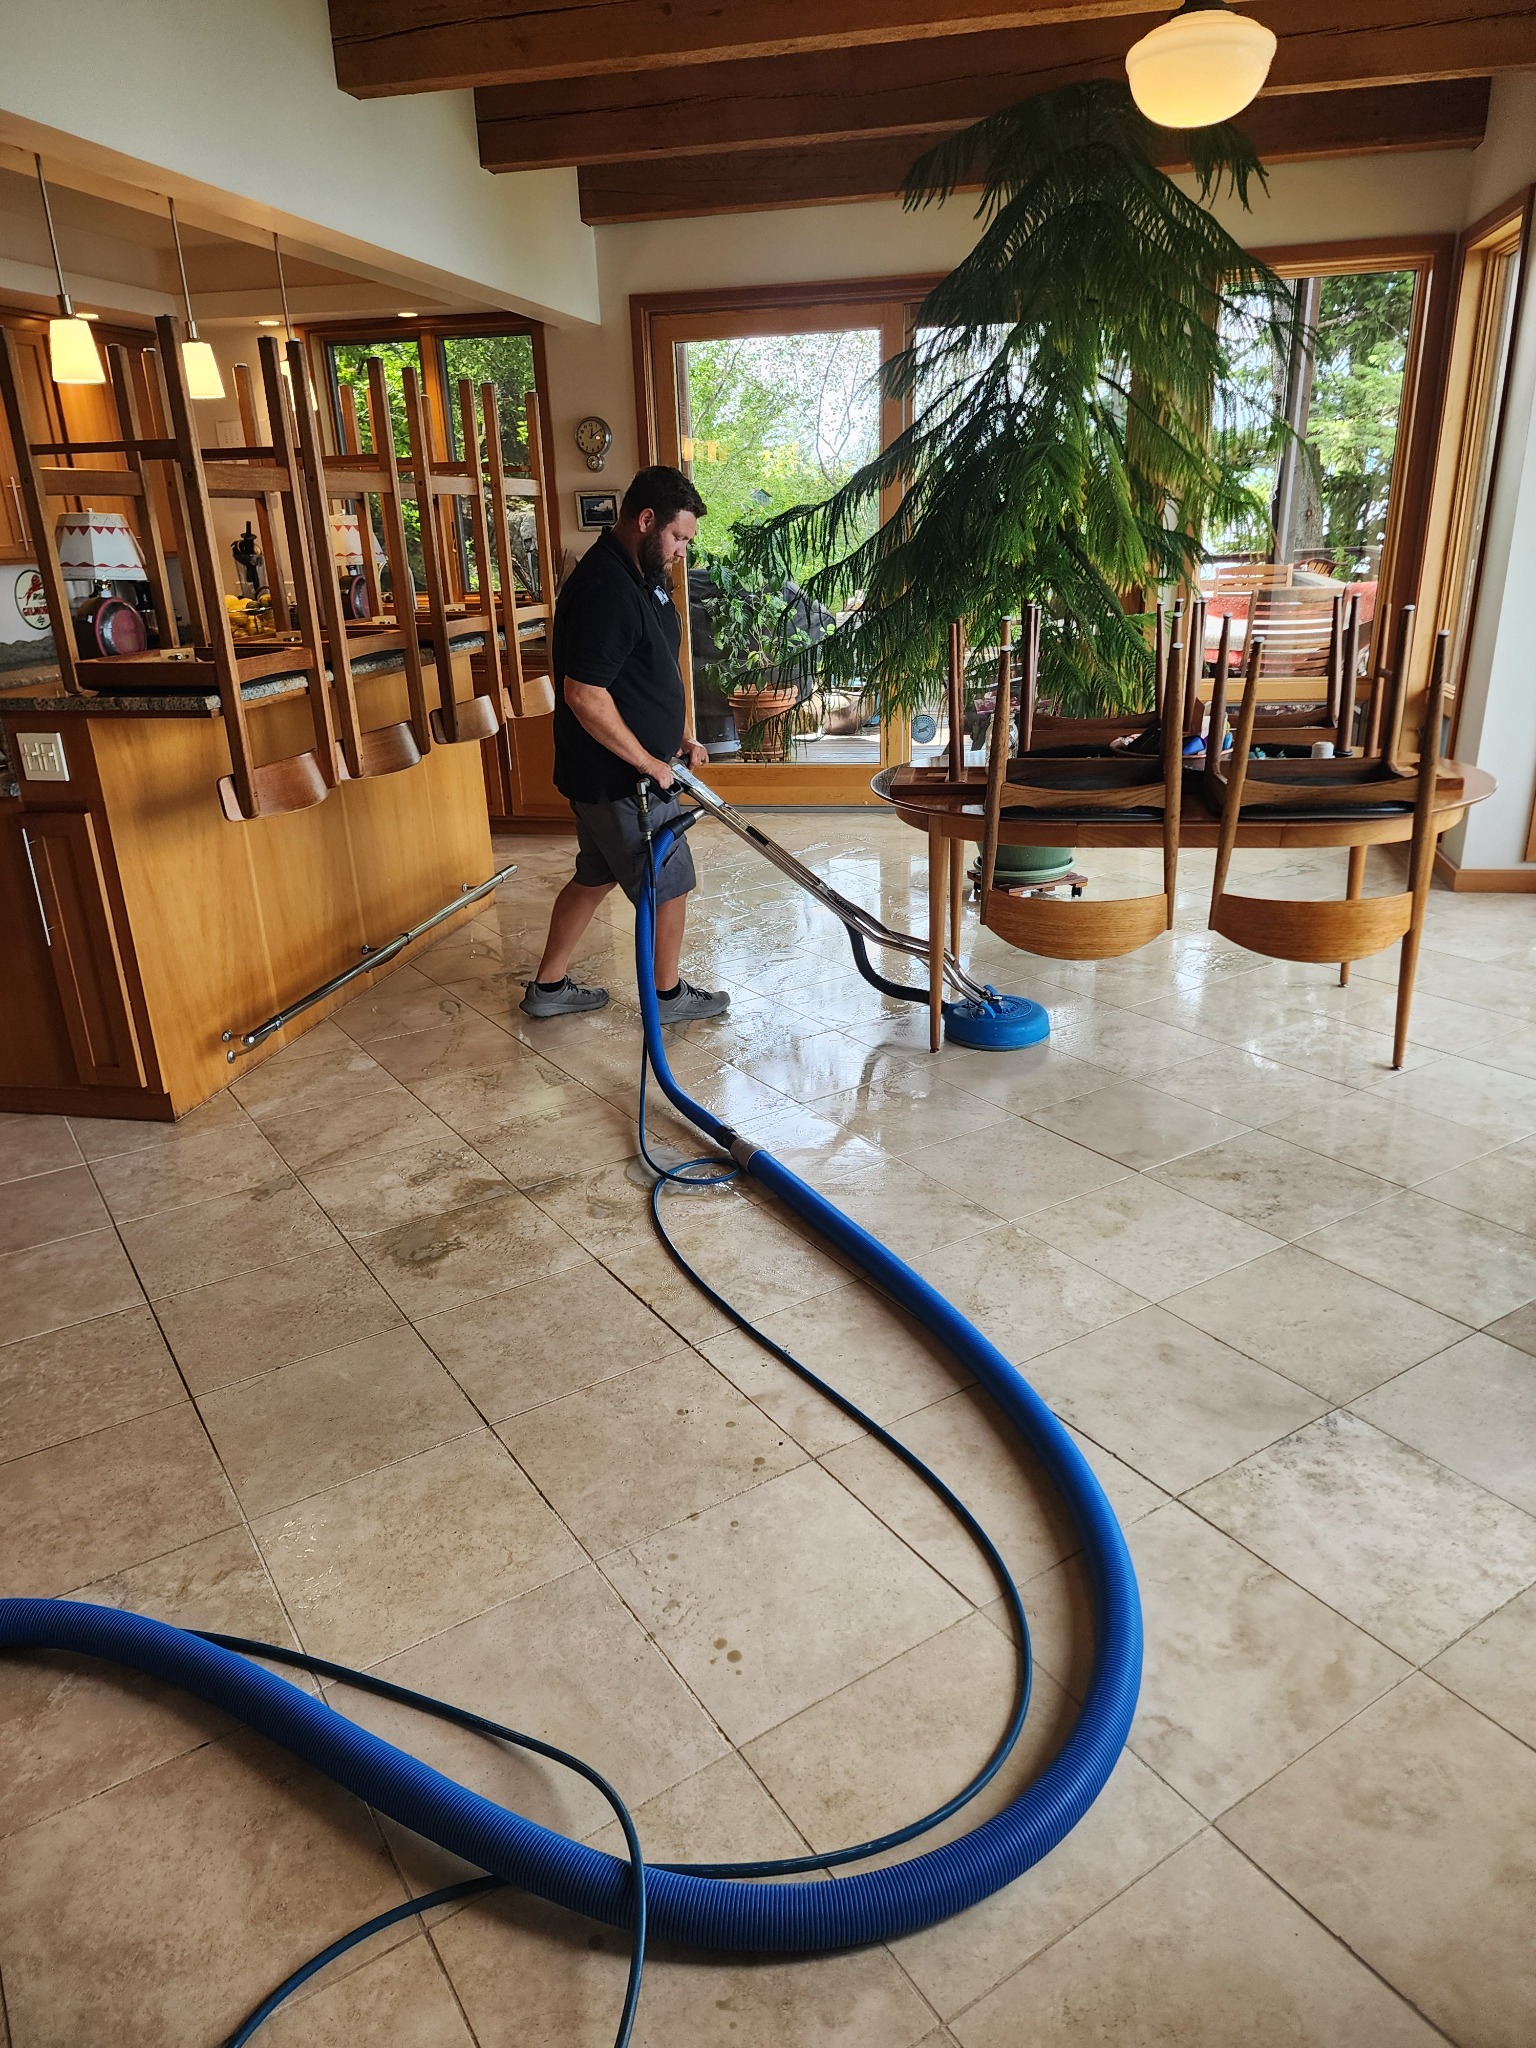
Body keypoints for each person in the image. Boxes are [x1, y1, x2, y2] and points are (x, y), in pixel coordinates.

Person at [520, 465, 730, 1023]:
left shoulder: (642, 574)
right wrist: (647, 763)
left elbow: (653, 666)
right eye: (679, 536)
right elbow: (584, 694)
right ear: (645, 520)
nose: (684, 549)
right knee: (671, 881)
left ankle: (548, 987)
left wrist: (681, 735)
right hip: (620, 780)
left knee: (595, 873)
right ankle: (666, 1000)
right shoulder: (604, 587)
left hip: (615, 774)